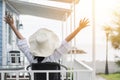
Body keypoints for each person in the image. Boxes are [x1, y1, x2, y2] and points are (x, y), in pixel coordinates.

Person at [4, 14, 89, 64]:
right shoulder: (53, 57)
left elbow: (22, 41)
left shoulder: (30, 57)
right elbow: (66, 41)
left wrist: (12, 25)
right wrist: (79, 28)